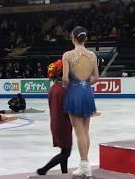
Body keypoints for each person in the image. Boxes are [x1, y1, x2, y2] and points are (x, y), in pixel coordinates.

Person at [62, 26, 99, 177]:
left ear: (73, 38)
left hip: (75, 91)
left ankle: (84, 165)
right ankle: (84, 163)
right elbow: (96, 77)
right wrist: (84, 83)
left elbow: (65, 79)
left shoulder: (67, 55)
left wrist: (70, 84)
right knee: (85, 130)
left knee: (79, 133)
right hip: (87, 92)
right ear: (85, 38)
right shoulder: (92, 55)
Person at [37, 60, 72, 175]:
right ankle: (44, 169)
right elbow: (68, 110)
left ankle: (64, 173)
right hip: (63, 124)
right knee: (66, 152)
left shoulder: (53, 89)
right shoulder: (62, 90)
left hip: (56, 122)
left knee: (64, 150)